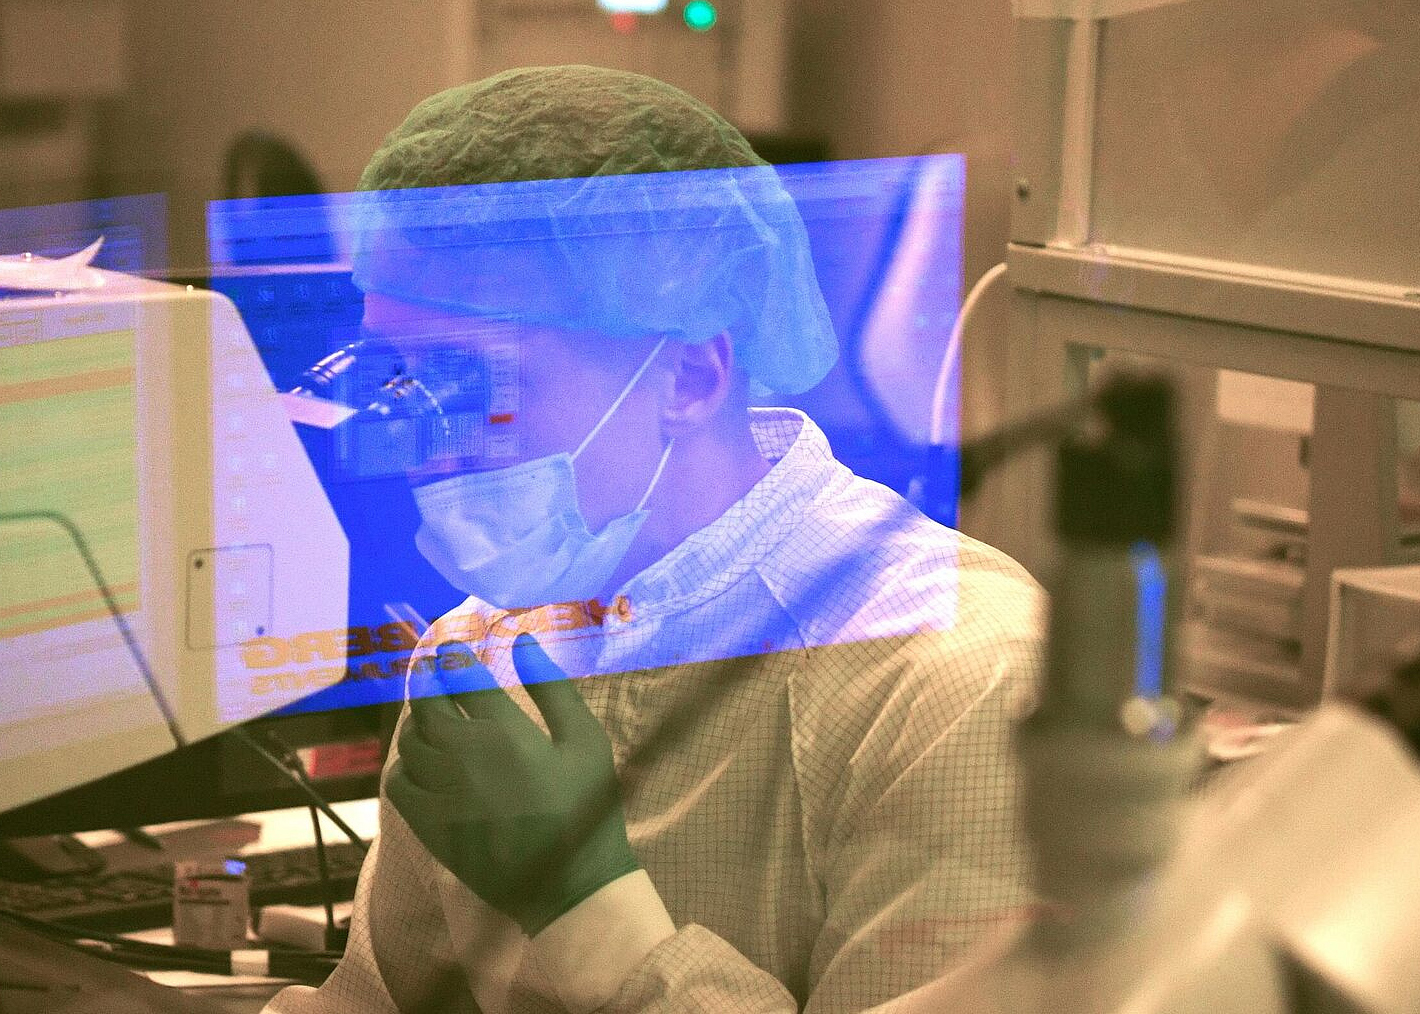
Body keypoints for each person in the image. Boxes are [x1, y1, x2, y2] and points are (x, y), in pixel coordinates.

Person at [265, 65, 1045, 1014]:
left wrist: (585, 908)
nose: (424, 446)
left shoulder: (959, 682)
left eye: (476, 382)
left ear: (689, 378)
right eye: (400, 379)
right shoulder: (481, 650)